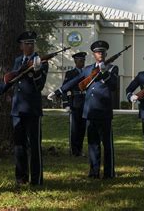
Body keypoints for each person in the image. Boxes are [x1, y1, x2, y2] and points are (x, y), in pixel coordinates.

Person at [48, 40, 118, 179]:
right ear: (94, 54)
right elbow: (74, 81)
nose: (100, 54)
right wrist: (58, 91)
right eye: (98, 52)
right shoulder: (88, 69)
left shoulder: (111, 68)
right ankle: (94, 172)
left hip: (104, 112)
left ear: (106, 54)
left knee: (107, 145)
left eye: (103, 52)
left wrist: (105, 73)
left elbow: (114, 85)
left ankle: (109, 173)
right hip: (90, 111)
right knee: (93, 144)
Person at [0, 31, 48, 186]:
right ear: (21, 46)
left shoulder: (41, 61)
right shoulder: (18, 61)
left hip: (32, 109)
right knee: (19, 145)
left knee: (34, 146)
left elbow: (39, 86)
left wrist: (36, 72)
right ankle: (21, 178)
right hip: (17, 108)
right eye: (27, 43)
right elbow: (13, 79)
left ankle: (37, 179)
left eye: (32, 43)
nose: (30, 46)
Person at [61, 52, 88, 156]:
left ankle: (79, 150)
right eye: (80, 60)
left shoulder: (87, 72)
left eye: (84, 60)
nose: (82, 62)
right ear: (75, 61)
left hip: (85, 101)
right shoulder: (70, 73)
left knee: (82, 128)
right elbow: (64, 89)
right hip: (75, 101)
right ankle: (74, 150)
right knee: (75, 128)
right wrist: (66, 103)